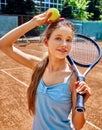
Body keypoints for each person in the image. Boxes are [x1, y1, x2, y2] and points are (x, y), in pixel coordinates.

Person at [0, 11, 91, 130]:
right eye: (58, 38)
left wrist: (81, 103)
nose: (64, 44)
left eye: (68, 40)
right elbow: (3, 45)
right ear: (46, 42)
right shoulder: (38, 66)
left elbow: (77, 125)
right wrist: (33, 22)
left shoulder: (73, 78)